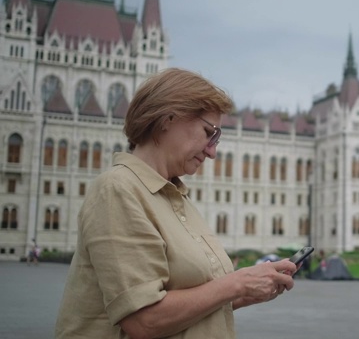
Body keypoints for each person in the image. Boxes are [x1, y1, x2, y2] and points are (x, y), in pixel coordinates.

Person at [55, 68, 298, 339]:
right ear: (167, 119)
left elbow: (190, 302)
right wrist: (237, 284)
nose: (212, 151)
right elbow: (144, 320)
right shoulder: (118, 190)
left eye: (217, 138)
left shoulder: (174, 196)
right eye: (209, 133)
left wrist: (251, 288)